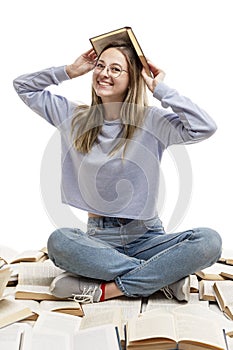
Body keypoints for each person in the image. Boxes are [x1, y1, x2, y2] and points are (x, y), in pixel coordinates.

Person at [13, 42, 222, 304]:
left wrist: (161, 89)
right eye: (100, 66)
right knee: (60, 241)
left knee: (208, 242)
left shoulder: (151, 120)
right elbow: (23, 86)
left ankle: (109, 289)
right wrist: (68, 70)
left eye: (115, 69)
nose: (104, 73)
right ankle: (163, 277)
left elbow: (204, 127)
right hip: (100, 241)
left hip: (147, 237)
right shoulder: (74, 117)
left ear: (132, 78)